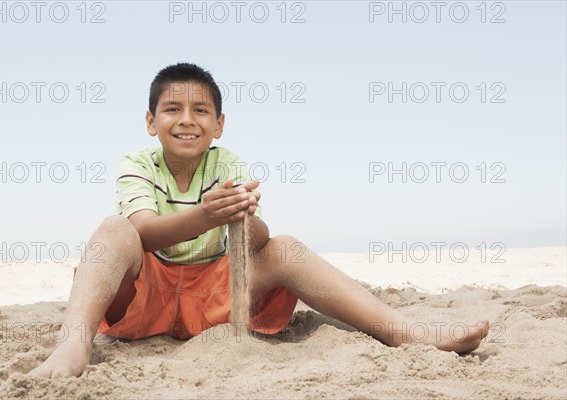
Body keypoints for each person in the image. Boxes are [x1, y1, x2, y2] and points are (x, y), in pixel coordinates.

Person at [30, 63, 489, 378]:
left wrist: (244, 219)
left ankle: (401, 330)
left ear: (220, 124)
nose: (187, 120)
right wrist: (205, 214)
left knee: (284, 244)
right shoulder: (138, 163)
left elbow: (257, 244)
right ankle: (74, 345)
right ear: (151, 122)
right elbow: (144, 232)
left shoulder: (226, 162)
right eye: (173, 109)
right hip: (143, 302)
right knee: (114, 228)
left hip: (216, 301)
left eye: (201, 110)